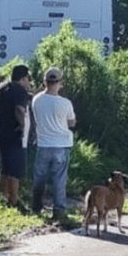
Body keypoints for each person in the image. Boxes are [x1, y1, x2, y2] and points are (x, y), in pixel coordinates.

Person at [31, 67, 76, 221]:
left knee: (39, 179)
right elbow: (71, 123)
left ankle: (36, 207)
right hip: (61, 145)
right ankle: (59, 210)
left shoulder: (36, 100)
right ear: (60, 83)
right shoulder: (66, 103)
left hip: (43, 144)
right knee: (59, 179)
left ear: (45, 82)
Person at [0, 64, 32, 209]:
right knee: (15, 170)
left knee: (6, 167)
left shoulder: (1, 88)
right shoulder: (20, 91)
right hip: (15, 134)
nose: (29, 82)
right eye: (28, 78)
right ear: (23, 78)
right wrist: (22, 126)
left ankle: (4, 196)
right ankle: (14, 200)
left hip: (1, 132)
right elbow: (20, 110)